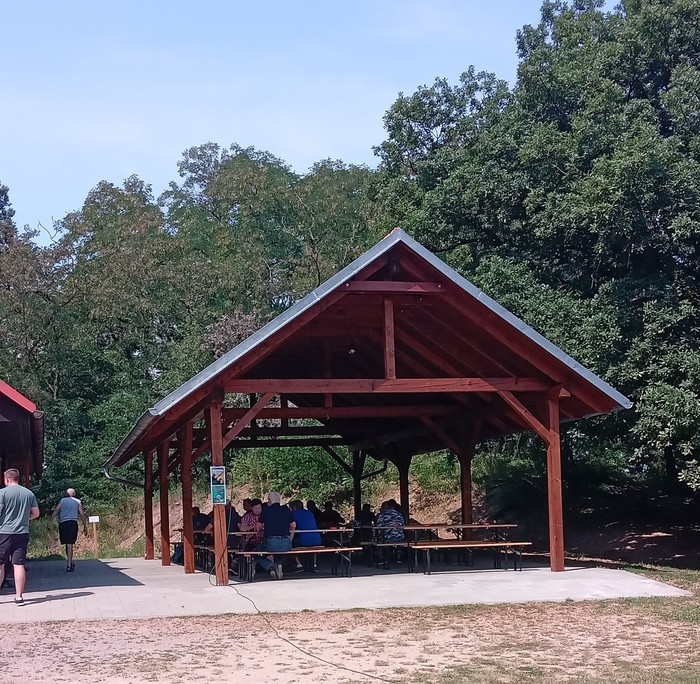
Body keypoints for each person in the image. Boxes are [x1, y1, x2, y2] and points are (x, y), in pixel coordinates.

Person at [0, 469, 40, 605]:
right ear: (18, 478)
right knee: (18, 564)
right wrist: (24, 519)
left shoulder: (2, 493)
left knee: (1, 564)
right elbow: (36, 513)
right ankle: (19, 597)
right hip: (22, 532)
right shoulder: (28, 493)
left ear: (7, 479)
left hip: (4, 532)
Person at [254, 492, 296, 580]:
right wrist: (290, 539)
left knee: (254, 553)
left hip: (271, 542)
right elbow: (293, 525)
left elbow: (257, 527)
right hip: (286, 543)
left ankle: (270, 566)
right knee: (281, 551)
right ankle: (279, 564)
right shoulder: (286, 510)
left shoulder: (266, 510)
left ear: (269, 501)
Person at [51, 488, 88, 572]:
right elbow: (81, 514)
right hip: (72, 523)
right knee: (70, 544)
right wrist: (85, 525)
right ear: (74, 494)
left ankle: (70, 562)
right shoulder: (77, 501)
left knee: (67, 544)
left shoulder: (62, 501)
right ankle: (69, 565)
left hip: (63, 523)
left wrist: (50, 521)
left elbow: (56, 510)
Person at [290, 500, 322, 572]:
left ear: (294, 507)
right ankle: (314, 564)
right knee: (313, 546)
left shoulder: (293, 514)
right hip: (317, 539)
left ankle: (298, 564)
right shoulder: (309, 513)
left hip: (304, 540)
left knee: (289, 544)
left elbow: (292, 526)